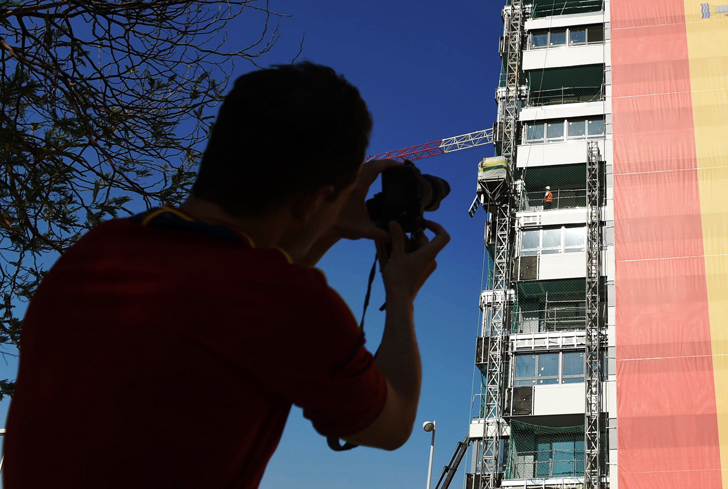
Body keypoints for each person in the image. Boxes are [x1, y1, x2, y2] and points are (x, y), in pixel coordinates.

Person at [2, 63, 450, 488]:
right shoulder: (286, 303)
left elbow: (245, 290)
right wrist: (402, 293)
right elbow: (391, 425)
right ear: (311, 201)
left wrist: (329, 224)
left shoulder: (97, 250)